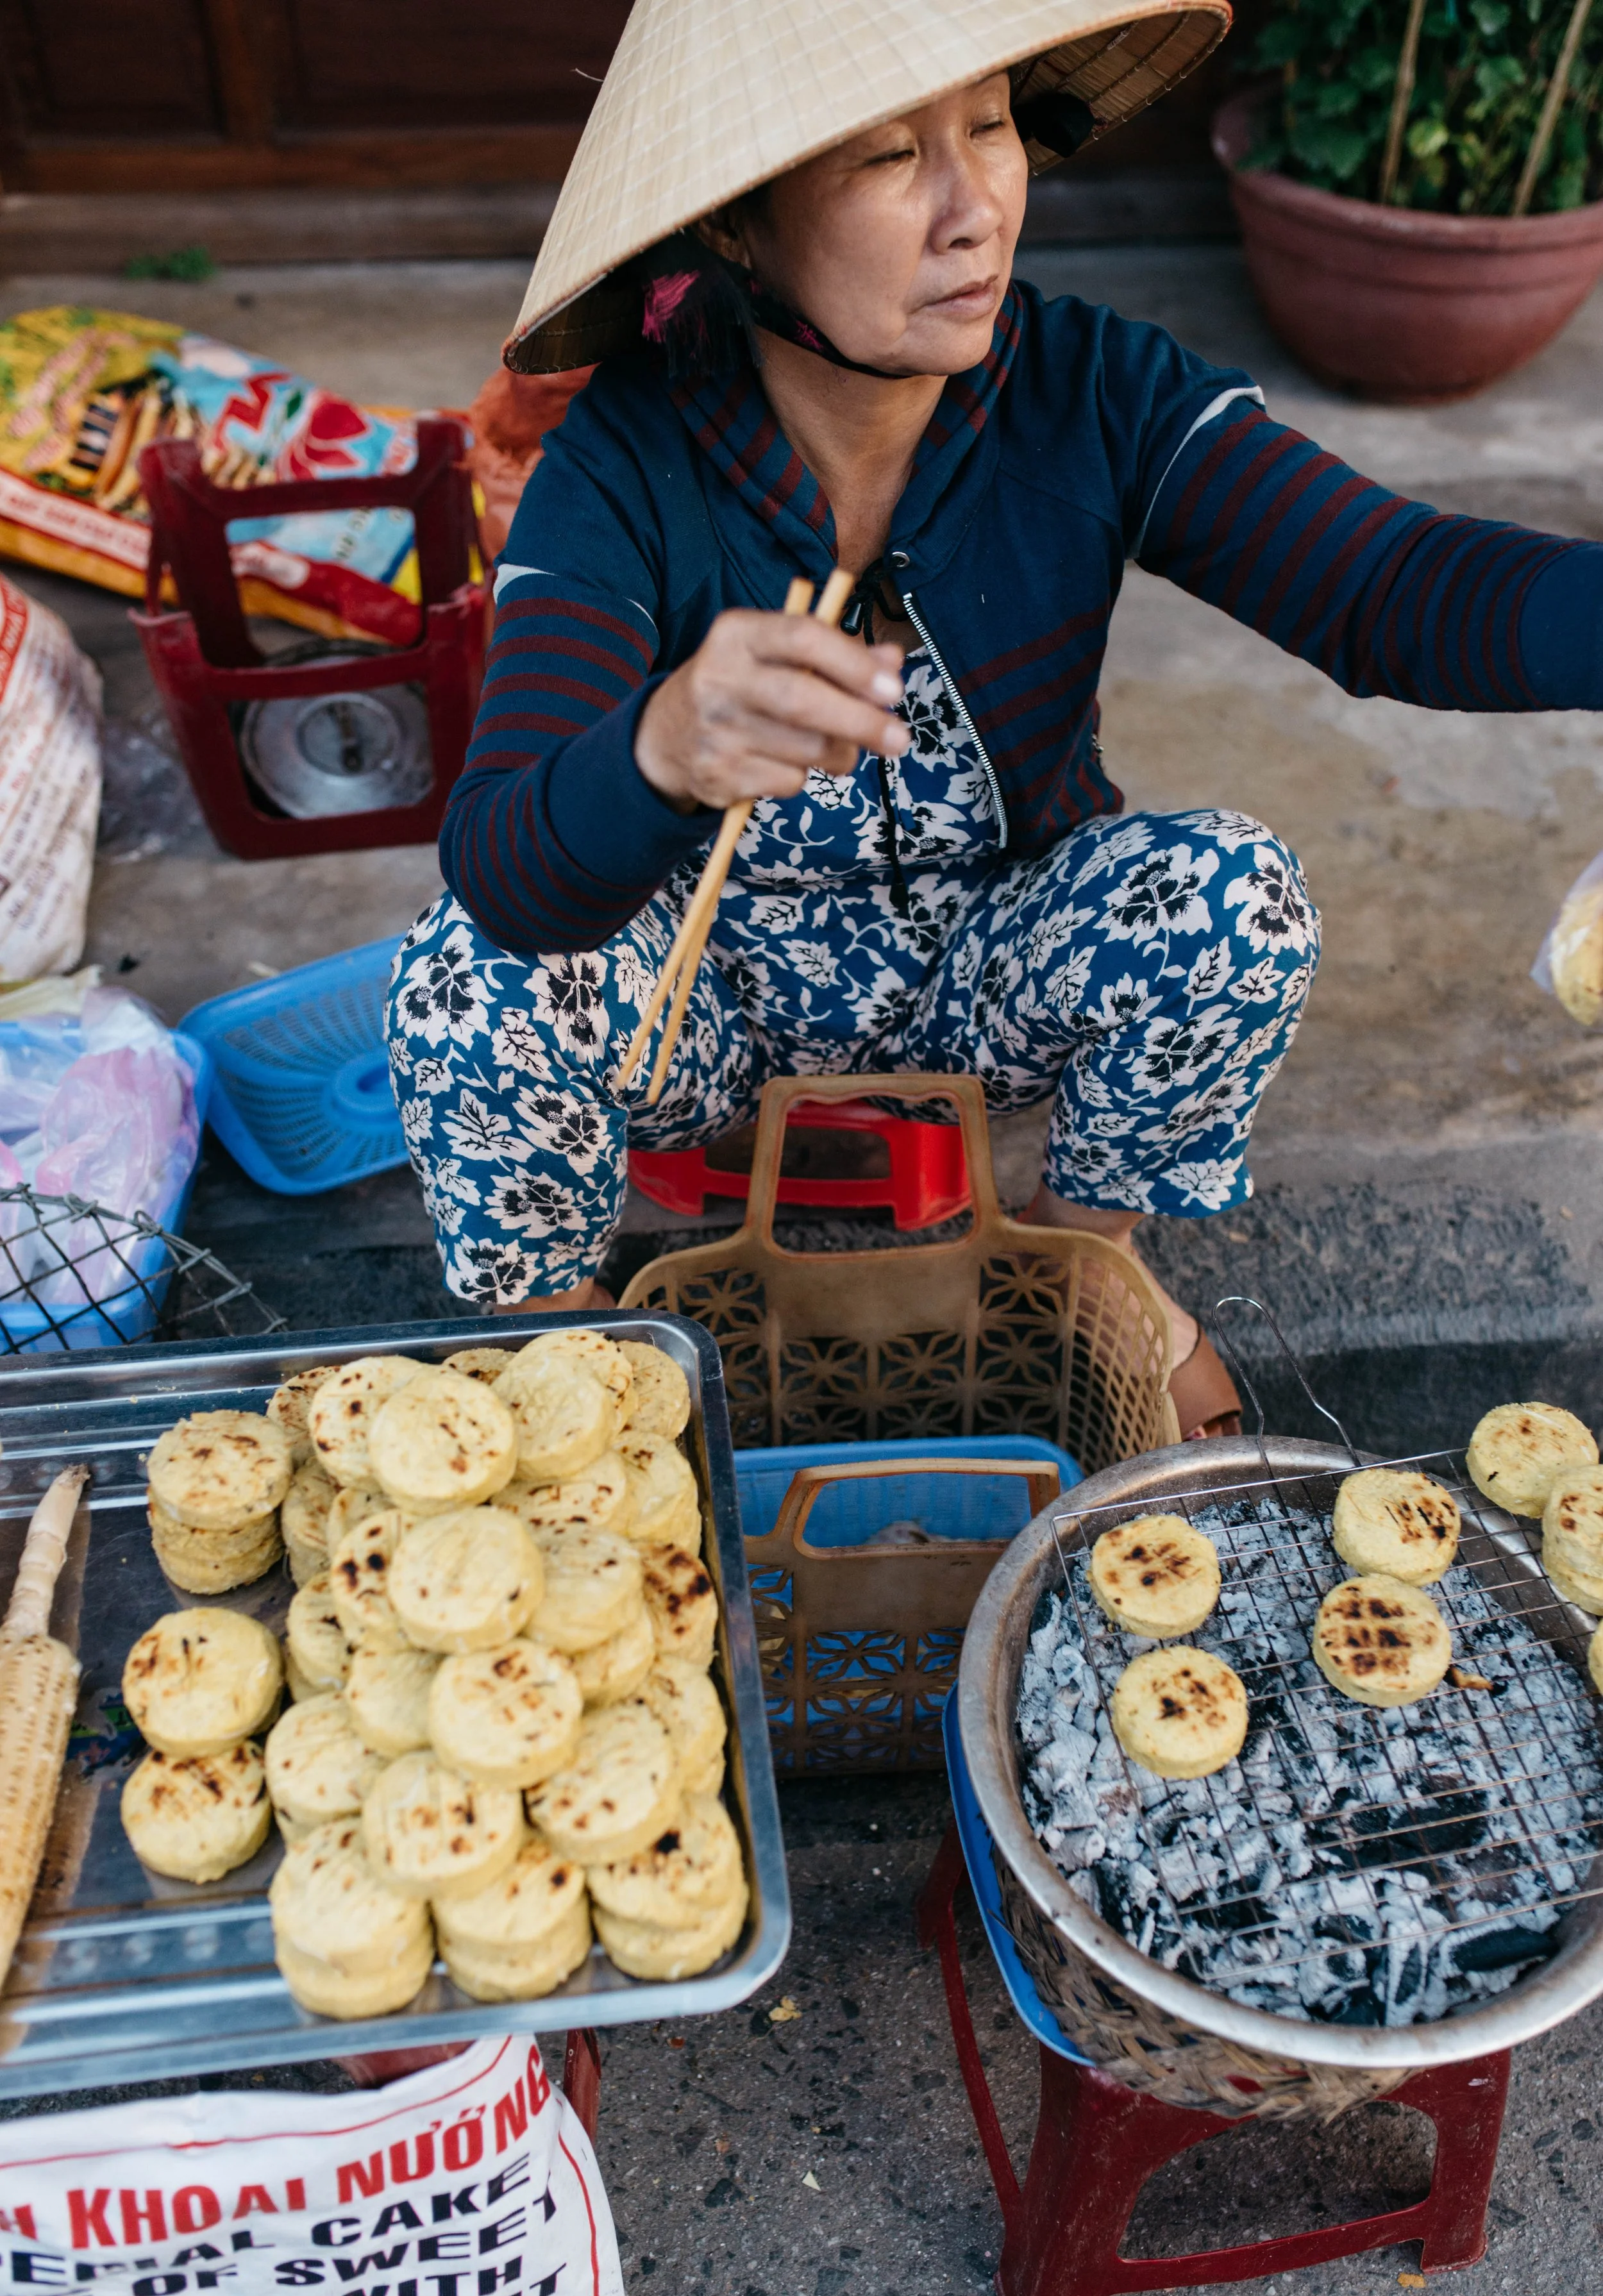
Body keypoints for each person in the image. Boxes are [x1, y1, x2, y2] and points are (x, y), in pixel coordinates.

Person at [388, 0, 1602, 1437]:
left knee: (1227, 895)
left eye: (989, 127)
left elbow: (1388, 587)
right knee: (465, 975)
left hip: (989, 974)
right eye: (889, 158)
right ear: (736, 227)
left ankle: (1081, 1272)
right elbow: (507, 869)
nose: (973, 210)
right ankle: (557, 1374)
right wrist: (655, 749)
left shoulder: (1092, 392)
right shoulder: (624, 463)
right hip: (700, 1018)